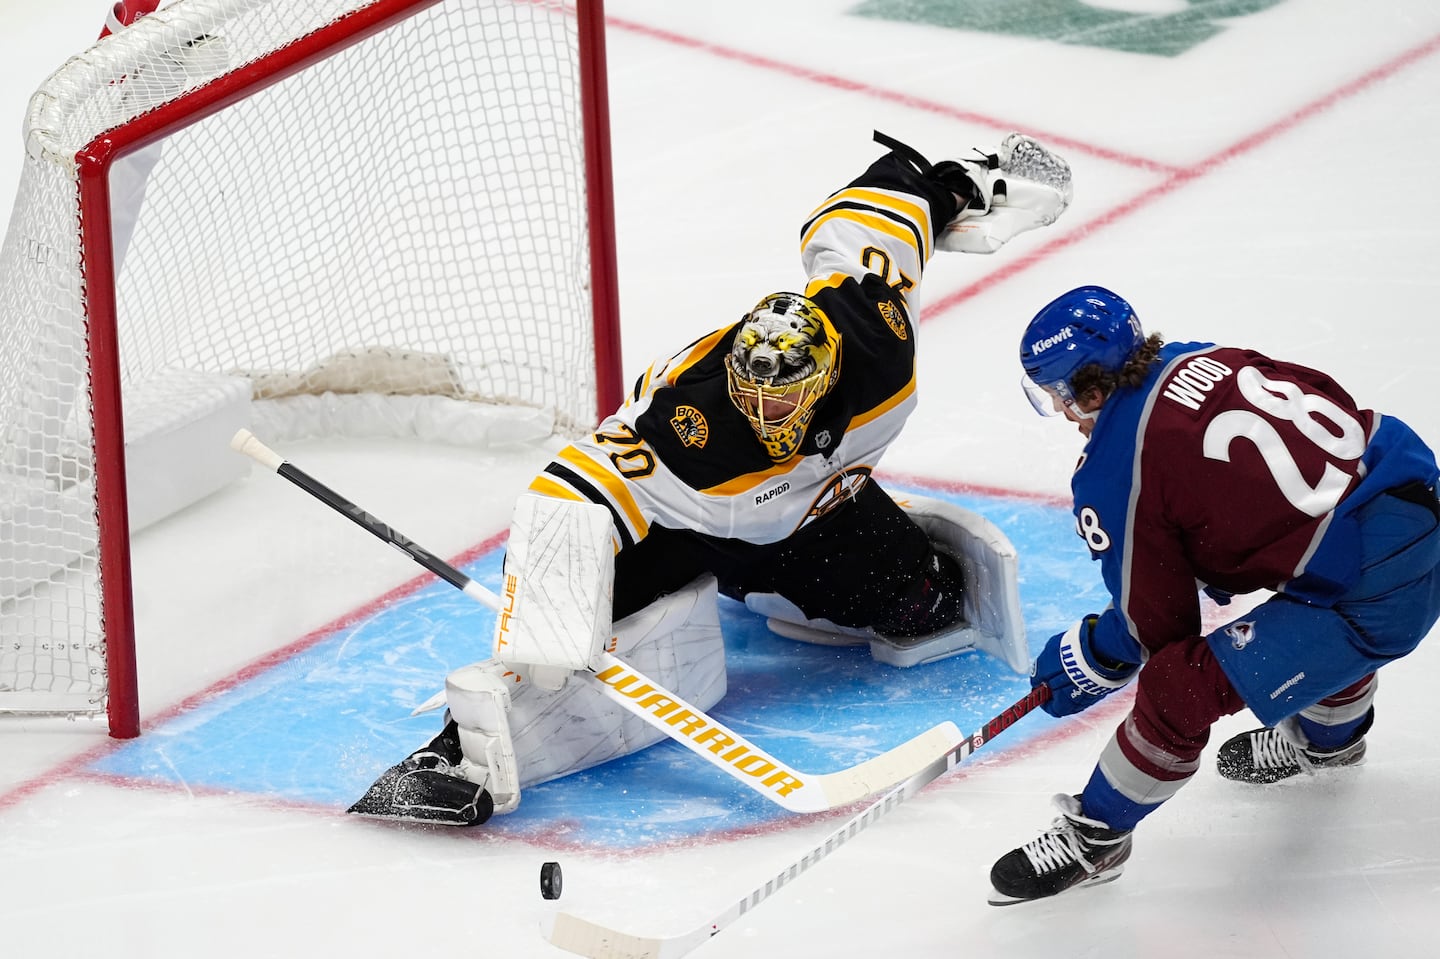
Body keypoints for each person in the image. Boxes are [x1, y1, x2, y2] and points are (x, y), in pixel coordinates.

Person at [348, 130, 1076, 826]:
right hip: (682, 527)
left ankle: (767, 585)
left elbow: (876, 215)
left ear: (825, 376)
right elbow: (570, 488)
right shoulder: (687, 428)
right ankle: (457, 757)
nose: (764, 411)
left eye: (786, 395)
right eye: (750, 391)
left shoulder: (873, 333)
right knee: (571, 635)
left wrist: (958, 183)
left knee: (926, 602)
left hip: (815, 516)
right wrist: (547, 606)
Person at [988, 285, 1440, 905]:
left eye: (1061, 397)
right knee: (1305, 609)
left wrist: (1095, 653)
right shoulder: (1207, 358)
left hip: (1375, 588)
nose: (1065, 414)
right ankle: (1332, 743)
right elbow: (1320, 405)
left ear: (1089, 392)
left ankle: (1097, 838)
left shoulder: (1114, 469)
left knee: (1180, 687)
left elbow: (1158, 630)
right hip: (1414, 496)